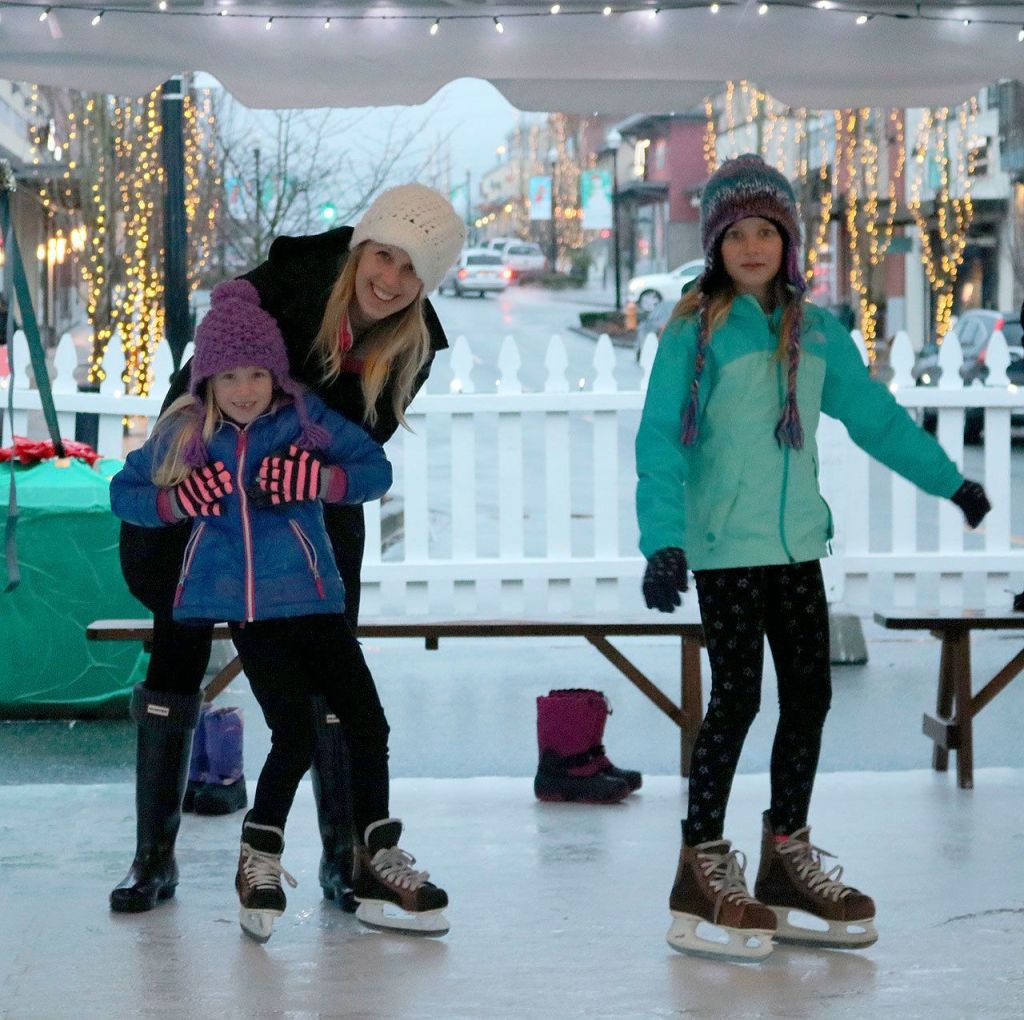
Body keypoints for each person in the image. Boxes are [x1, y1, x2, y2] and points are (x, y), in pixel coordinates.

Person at [635, 154, 992, 963]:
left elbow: (878, 420)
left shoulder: (817, 331)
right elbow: (659, 444)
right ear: (717, 242)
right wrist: (663, 544)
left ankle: (786, 857)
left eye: (768, 231)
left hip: (797, 547)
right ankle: (700, 863)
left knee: (809, 694)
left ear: (788, 242)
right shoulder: (695, 333)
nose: (753, 246)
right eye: (739, 234)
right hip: (724, 553)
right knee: (735, 699)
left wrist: (951, 484)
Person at [112, 183, 465, 919]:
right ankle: (154, 858)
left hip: (304, 510)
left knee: (329, 662)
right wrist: (185, 475)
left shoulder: (414, 343)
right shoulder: (298, 281)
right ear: (361, 249)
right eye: (383, 257)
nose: (391, 280)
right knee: (178, 647)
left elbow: (367, 451)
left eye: (412, 270)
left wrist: (321, 475)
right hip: (207, 477)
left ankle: (346, 857)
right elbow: (213, 367)